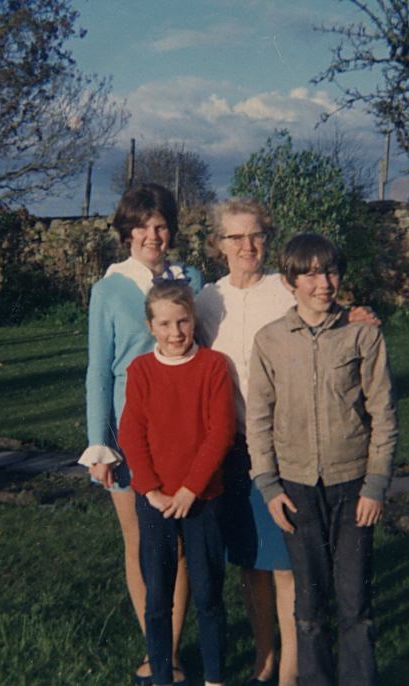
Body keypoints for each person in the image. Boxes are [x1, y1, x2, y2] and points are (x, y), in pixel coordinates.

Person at [195, 200, 380, 686]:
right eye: (235, 238)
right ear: (219, 245)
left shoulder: (286, 289)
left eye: (254, 235)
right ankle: (265, 659)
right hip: (232, 445)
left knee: (287, 564)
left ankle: (294, 671)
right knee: (250, 562)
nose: (246, 246)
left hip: (290, 449)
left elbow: (332, 316)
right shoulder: (206, 302)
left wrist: (359, 314)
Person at [247, 233, 398, 686]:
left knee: (354, 603)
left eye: (330, 271)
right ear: (291, 280)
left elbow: (383, 412)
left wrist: (375, 485)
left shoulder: (361, 334)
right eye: (310, 273)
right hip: (295, 490)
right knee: (309, 607)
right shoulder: (270, 340)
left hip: (352, 487)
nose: (323, 283)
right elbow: (258, 419)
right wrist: (269, 488)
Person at [78, 183, 203, 686]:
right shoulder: (108, 290)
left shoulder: (192, 279)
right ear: (126, 232)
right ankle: (157, 653)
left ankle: (168, 652)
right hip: (132, 436)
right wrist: (98, 444)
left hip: (188, 432)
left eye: (161, 225)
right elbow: (99, 371)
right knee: (140, 543)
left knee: (181, 547)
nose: (153, 235)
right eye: (142, 226)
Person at [119, 281, 236, 686]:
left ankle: (215, 677)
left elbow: (220, 432)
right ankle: (162, 674)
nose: (175, 333)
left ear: (194, 320)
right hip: (155, 501)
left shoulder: (213, 366)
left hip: (201, 498)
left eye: (182, 321)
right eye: (165, 324)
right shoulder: (141, 371)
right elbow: (131, 432)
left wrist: (190, 490)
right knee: (157, 599)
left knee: (207, 594)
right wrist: (151, 490)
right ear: (151, 326)